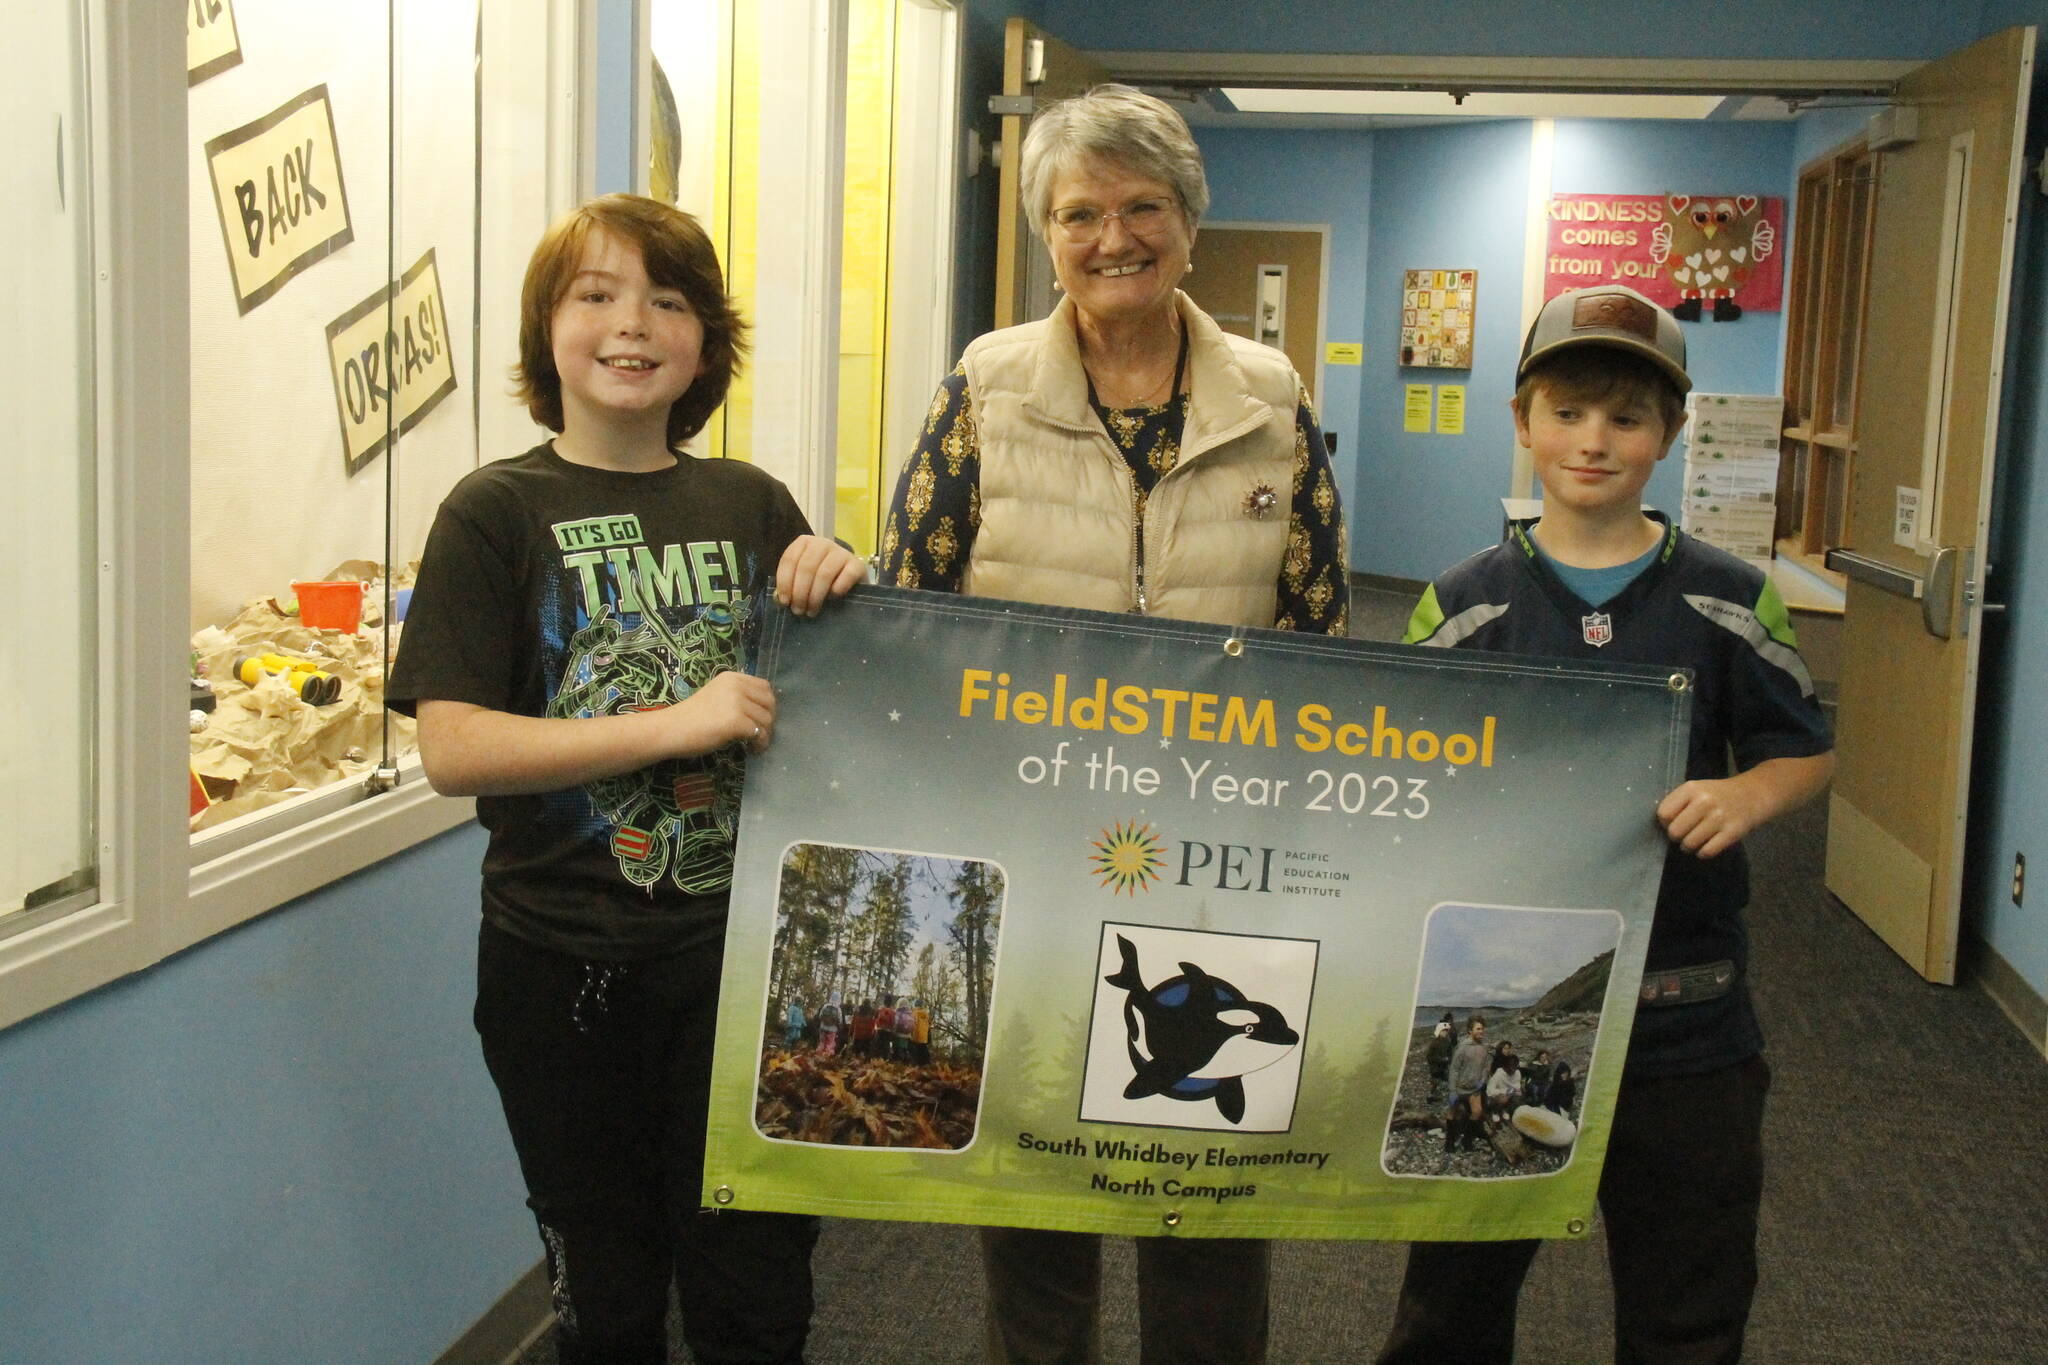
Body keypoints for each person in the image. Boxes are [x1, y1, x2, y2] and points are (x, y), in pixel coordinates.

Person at [880, 83, 1348, 1365]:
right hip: (1026, 850)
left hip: (1215, 859)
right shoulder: (982, 388)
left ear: (1189, 224)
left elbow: (1317, 633)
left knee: (1203, 1182)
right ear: (1045, 234)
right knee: (1032, 1179)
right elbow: (908, 612)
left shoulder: (1269, 395)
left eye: (1142, 207)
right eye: (1078, 213)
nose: (1112, 237)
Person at [387, 193, 864, 1365]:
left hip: (742, 961)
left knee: (756, 1292)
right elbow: (452, 747)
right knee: (604, 1296)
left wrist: (843, 584)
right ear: (546, 331)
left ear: (705, 340)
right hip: (561, 971)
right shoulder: (494, 512)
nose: (630, 324)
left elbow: (826, 714)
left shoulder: (748, 502)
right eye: (593, 295)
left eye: (666, 298)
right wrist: (667, 725)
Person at [1380, 284, 1835, 1365]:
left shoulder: (1731, 597)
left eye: (1626, 419)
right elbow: (1392, 767)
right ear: (1522, 422)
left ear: (1667, 434)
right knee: (1448, 1306)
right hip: (1498, 1011)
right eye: (1569, 413)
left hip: (1686, 1015)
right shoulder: (1462, 603)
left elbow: (1801, 748)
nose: (1594, 441)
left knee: (1688, 1301)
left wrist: (1744, 796)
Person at [1443, 1017, 1490, 1155]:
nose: (1482, 1031)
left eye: (1482, 1028)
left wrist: (1482, 1081)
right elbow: (1454, 1069)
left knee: (1477, 1112)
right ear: (1470, 1031)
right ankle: (1449, 1142)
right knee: (1452, 1113)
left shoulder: (1483, 1048)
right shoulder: (1462, 1048)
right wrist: (1452, 1090)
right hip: (1459, 1088)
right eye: (1478, 1029)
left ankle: (1467, 1141)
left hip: (1474, 1088)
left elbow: (1485, 1067)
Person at [1483, 1043, 1523, 1124]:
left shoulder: (1517, 1072)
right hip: (1498, 1095)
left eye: (1514, 1067)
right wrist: (1504, 1092)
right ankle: (1495, 1111)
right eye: (1511, 1067)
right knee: (1503, 1099)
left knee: (1518, 1096)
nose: (1512, 1070)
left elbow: (1517, 1085)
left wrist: (1511, 1091)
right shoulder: (1499, 1073)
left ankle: (1505, 1109)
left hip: (1509, 1092)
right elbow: (1490, 1090)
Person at [1424, 1017, 1457, 1101]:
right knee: (1435, 1082)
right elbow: (1429, 1056)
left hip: (1444, 1066)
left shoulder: (1447, 1042)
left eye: (1446, 1031)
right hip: (1435, 1066)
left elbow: (1450, 1053)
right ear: (1439, 1031)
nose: (1445, 1033)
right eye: (1443, 1031)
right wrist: (1441, 1059)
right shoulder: (1434, 1043)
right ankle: (1430, 1096)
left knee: (1448, 1079)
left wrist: (1449, 1059)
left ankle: (1450, 1095)